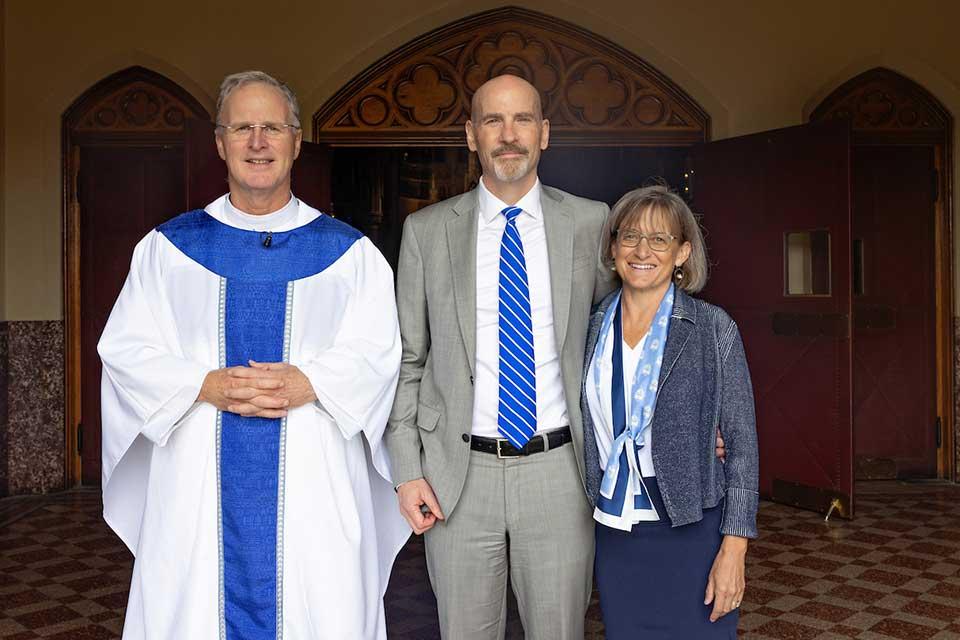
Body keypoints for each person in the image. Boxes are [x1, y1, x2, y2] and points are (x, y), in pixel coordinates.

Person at [98, 70, 409, 640]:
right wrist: (204, 384)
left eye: (272, 128)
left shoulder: (350, 255)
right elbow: (125, 350)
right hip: (196, 487)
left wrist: (310, 382)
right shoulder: (167, 251)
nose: (258, 142)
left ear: (295, 142)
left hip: (313, 485)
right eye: (243, 127)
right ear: (220, 143)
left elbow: (379, 353)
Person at [385, 74, 616, 638]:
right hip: (457, 477)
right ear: (470, 135)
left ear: (544, 133)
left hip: (559, 471)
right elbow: (407, 361)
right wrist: (407, 471)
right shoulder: (426, 232)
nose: (508, 135)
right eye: (492, 120)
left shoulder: (590, 223)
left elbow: (623, 343)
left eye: (522, 120)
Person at [582, 185, 759, 639]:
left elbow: (742, 447)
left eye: (660, 240)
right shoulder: (591, 326)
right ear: (613, 247)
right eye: (630, 236)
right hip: (615, 530)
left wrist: (734, 549)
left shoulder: (712, 328)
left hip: (691, 530)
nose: (643, 250)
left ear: (682, 252)